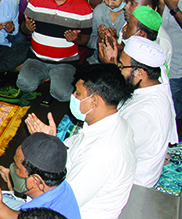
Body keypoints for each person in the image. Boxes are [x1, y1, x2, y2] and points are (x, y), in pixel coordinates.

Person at [26, 64, 136, 219]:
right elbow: (74, 154)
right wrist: (52, 142)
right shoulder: (113, 123)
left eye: (78, 93)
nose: (74, 97)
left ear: (95, 101)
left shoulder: (101, 154)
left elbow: (62, 205)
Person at [17, 0, 92, 102]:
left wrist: (75, 38)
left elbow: (86, 39)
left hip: (65, 62)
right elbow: (24, 29)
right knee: (24, 85)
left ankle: (55, 77)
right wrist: (27, 28)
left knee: (62, 95)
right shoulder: (36, 0)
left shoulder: (83, 7)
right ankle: (46, 75)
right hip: (36, 58)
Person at [0, 133, 80, 219]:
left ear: (36, 180)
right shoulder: (62, 187)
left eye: (17, 167)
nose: (12, 168)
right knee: (1, 200)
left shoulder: (45, 213)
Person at [118, 36, 178, 187]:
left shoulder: (145, 114)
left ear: (140, 73)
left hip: (132, 183)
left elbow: (114, 151)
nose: (118, 71)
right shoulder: (152, 88)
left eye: (121, 66)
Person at [87, 0, 126, 64]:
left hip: (122, 61)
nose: (110, 3)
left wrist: (115, 39)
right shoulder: (99, 10)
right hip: (98, 61)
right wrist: (101, 40)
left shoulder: (128, 13)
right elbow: (90, 40)